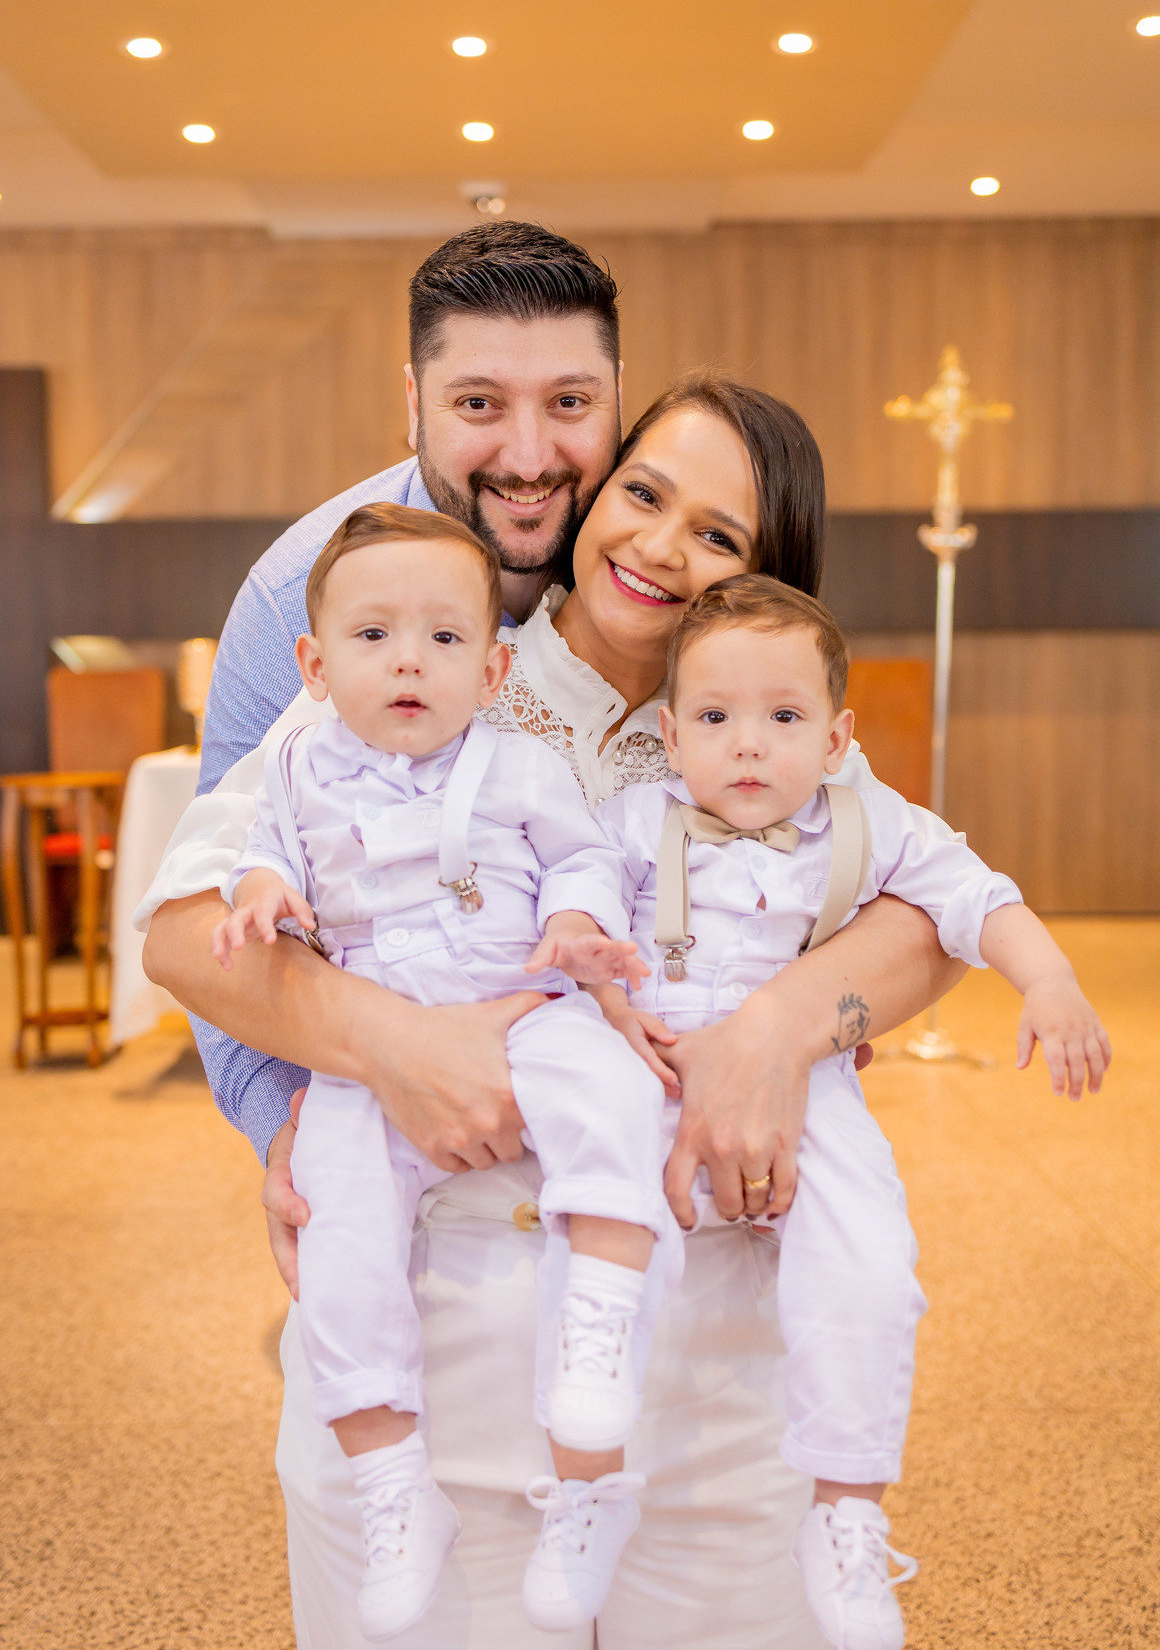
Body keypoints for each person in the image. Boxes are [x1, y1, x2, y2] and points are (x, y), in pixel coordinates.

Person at [142, 221, 962, 1649]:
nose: (657, 541)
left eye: (720, 534)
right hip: (434, 1287)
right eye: (646, 497)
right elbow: (190, 917)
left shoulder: (749, 723)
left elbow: (925, 909)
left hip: (696, 1324)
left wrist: (779, 1028)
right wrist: (358, 1072)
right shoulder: (383, 648)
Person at [594, 573, 1112, 1650]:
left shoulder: (868, 823)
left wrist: (1050, 980)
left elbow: (979, 899)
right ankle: (591, 1486)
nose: (748, 746)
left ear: (836, 737)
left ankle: (848, 1510)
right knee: (601, 1270)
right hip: (645, 1073)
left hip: (812, 1090)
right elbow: (564, 925)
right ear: (669, 732)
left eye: (782, 719)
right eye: (716, 718)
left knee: (870, 1271)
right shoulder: (631, 819)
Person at [211, 503, 681, 1639]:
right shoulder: (294, 767)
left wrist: (573, 923)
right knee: (340, 1215)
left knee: (617, 1097)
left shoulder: (519, 764)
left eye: (442, 639)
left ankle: (597, 1335)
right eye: (372, 639)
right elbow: (251, 854)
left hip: (529, 997)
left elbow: (583, 859)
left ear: (494, 665)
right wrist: (260, 893)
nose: (408, 661)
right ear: (316, 665)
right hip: (376, 1036)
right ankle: (387, 1480)